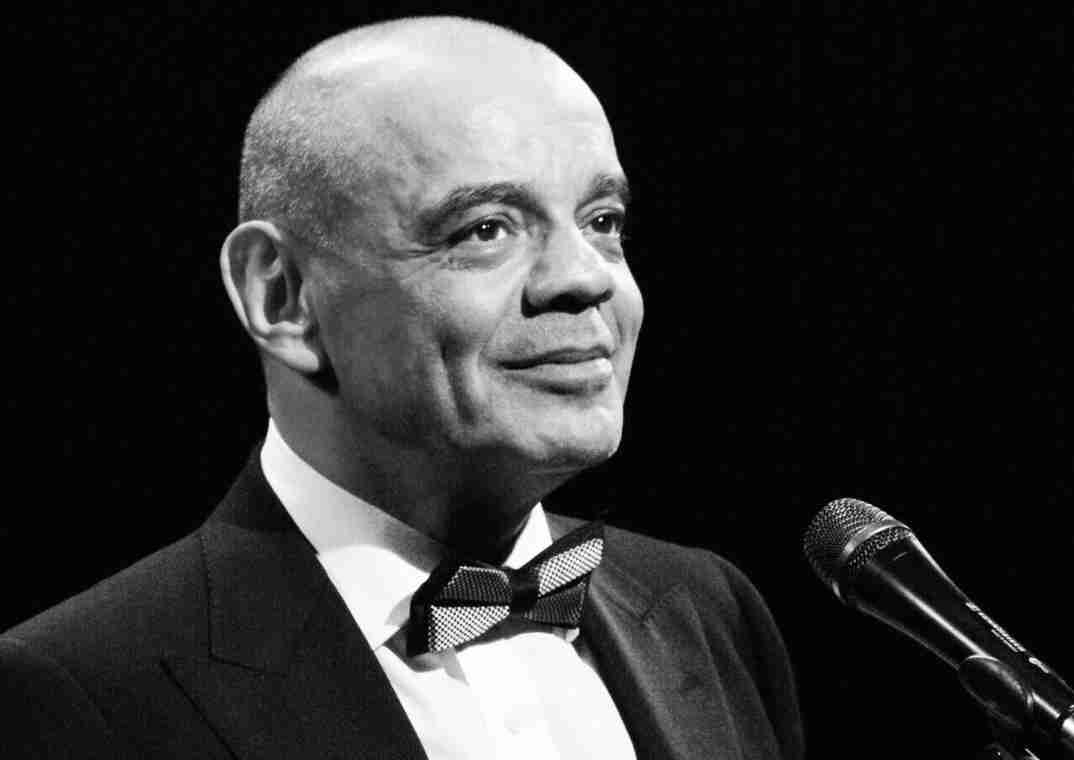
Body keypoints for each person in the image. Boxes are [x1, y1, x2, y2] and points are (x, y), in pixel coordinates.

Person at [2, 16, 803, 759]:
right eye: (485, 229)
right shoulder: (77, 692)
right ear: (282, 296)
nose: (587, 278)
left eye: (602, 221)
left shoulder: (707, 611)